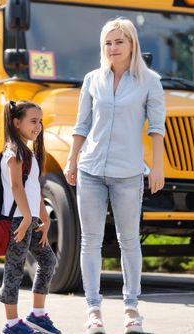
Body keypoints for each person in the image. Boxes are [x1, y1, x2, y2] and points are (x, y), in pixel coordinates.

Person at [64, 18, 166, 334]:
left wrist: (158, 167)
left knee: (128, 241)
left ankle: (132, 309)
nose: (113, 48)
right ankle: (93, 310)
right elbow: (82, 125)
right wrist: (71, 160)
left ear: (132, 44)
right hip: (90, 170)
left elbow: (156, 129)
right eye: (108, 43)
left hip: (128, 173)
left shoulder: (150, 82)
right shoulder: (92, 80)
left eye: (119, 42)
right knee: (90, 241)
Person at [0, 100, 61, 334]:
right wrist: (26, 218)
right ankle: (12, 325)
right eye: (33, 121)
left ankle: (37, 315)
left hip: (29, 219)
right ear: (16, 123)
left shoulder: (30, 154)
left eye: (41, 122)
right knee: (14, 269)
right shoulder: (12, 151)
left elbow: (34, 188)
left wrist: (43, 218)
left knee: (47, 261)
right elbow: (16, 187)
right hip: (17, 221)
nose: (38, 126)